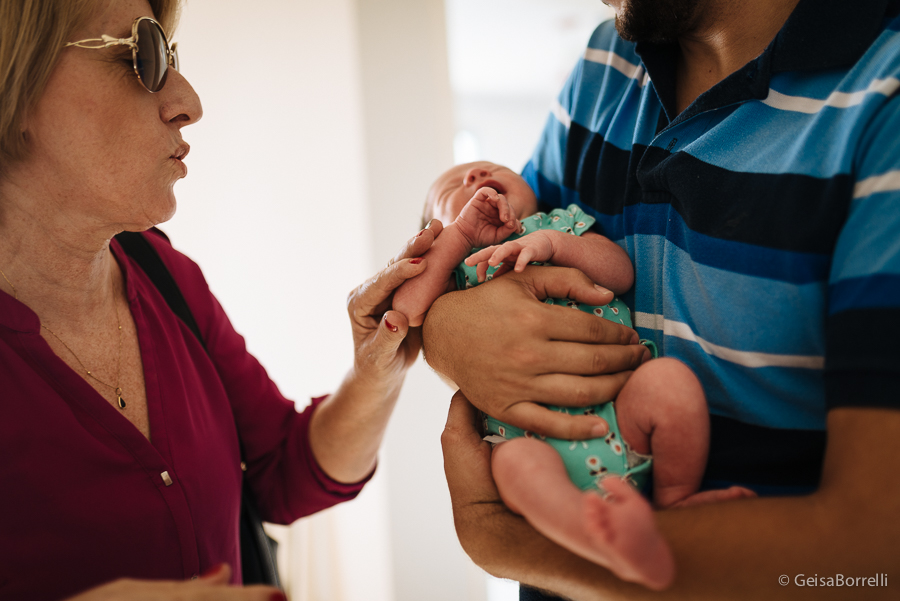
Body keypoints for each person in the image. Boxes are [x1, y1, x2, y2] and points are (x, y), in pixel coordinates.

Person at [427, 0, 900, 599]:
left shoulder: (884, 90)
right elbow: (501, 248)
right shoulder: (605, 63)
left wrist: (503, 541)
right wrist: (441, 329)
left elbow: (877, 557)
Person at [0, 1, 437, 599]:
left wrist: (375, 368)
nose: (189, 102)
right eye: (140, 57)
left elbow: (283, 473)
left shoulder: (166, 275)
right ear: (15, 81)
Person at [395, 161, 754, 589]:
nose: (474, 177)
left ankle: (674, 500)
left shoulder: (562, 224)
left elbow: (620, 272)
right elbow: (408, 309)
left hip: (619, 411)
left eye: (488, 168)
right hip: (533, 442)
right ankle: (598, 539)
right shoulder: (456, 266)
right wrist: (458, 236)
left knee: (669, 382)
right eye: (454, 186)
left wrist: (553, 243)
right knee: (513, 464)